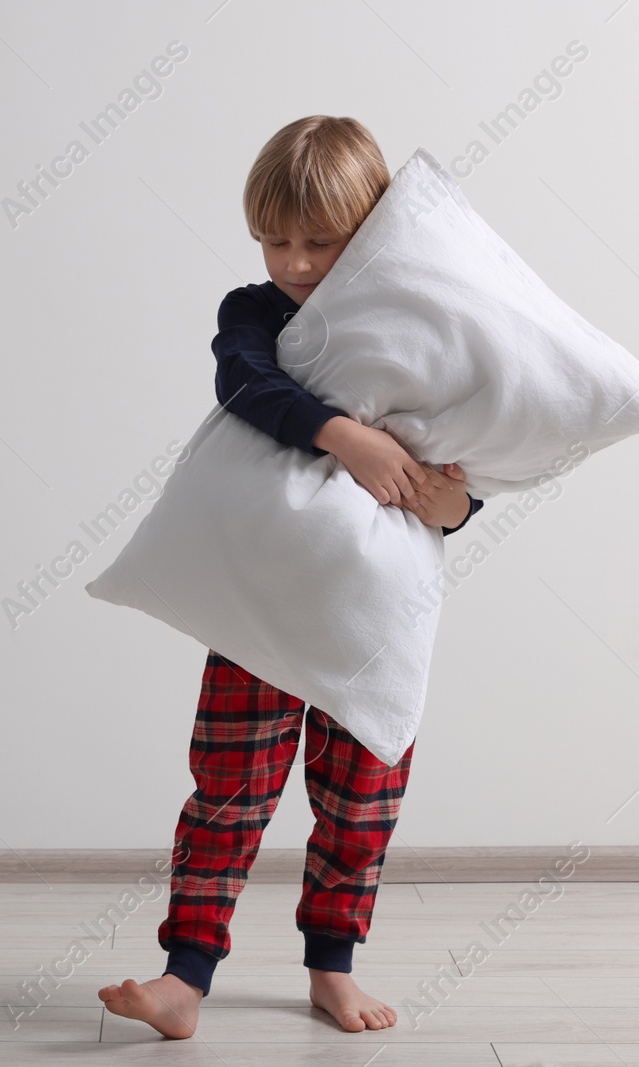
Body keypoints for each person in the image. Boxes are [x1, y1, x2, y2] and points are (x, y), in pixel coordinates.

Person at [97, 116, 483, 1038]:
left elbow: (461, 471)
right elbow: (244, 382)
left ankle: (331, 965)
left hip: (370, 617)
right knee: (228, 787)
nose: (297, 262)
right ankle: (184, 975)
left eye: (321, 241)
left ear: (376, 233)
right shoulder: (255, 313)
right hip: (262, 607)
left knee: (360, 800)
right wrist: (341, 434)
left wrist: (450, 509)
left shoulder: (416, 333)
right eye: (277, 240)